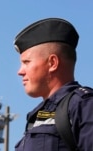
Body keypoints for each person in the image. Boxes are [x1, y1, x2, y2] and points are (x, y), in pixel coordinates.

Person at [14, 18, 93, 151]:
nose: (20, 72)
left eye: (26, 62)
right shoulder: (36, 117)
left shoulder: (83, 105)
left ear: (52, 63)